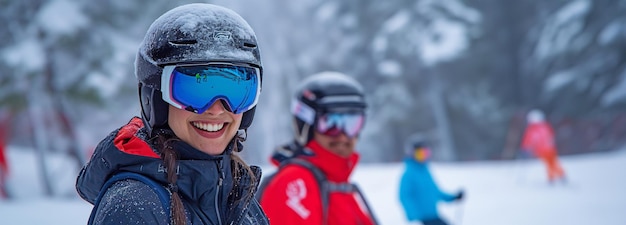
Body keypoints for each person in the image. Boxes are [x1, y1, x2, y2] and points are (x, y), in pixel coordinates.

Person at [75, 3, 268, 225]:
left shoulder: (237, 197)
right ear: (155, 97)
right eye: (195, 90)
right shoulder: (134, 206)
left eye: (236, 92)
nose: (216, 109)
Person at [257, 72, 379, 225]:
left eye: (352, 124)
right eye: (330, 124)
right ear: (307, 126)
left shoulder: (336, 184)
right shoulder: (295, 183)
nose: (342, 136)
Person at [399, 135, 464, 225]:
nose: (424, 157)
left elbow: (435, 191)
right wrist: (414, 217)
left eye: (426, 153)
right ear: (412, 154)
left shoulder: (426, 171)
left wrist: (453, 197)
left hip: (433, 215)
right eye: (420, 154)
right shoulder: (408, 174)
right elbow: (404, 196)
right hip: (422, 219)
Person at [520, 109, 566, 183]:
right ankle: (558, 176)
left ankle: (554, 177)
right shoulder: (545, 127)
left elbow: (528, 140)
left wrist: (525, 148)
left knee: (550, 164)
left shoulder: (532, 129)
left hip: (543, 150)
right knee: (552, 163)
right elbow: (551, 136)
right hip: (550, 149)